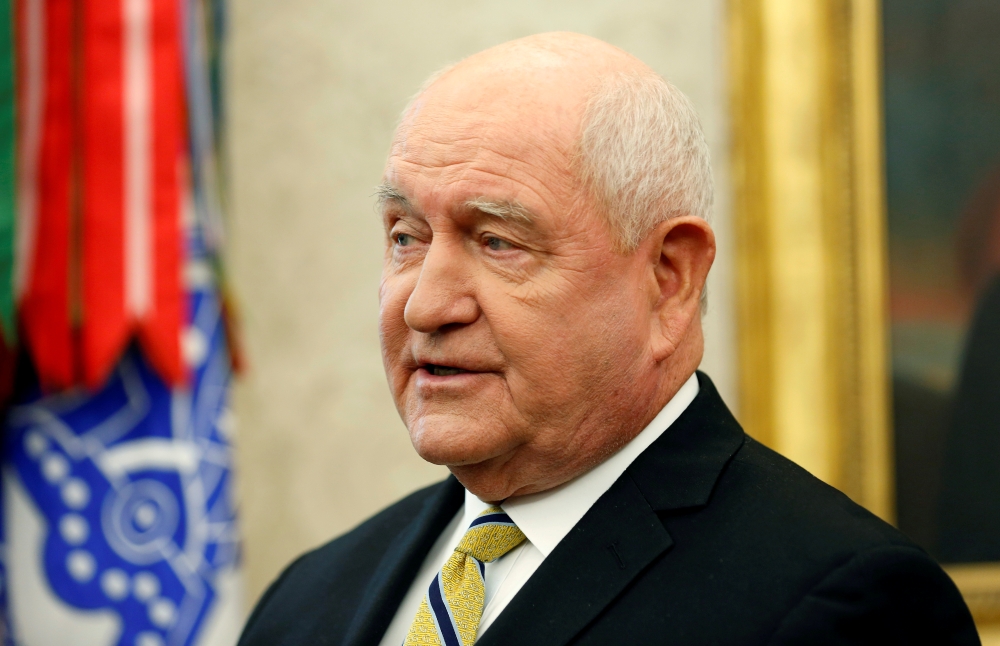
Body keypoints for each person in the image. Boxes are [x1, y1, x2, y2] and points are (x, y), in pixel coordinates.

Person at [238, 33, 977, 646]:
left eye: (496, 241)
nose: (425, 305)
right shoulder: (306, 601)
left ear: (668, 279)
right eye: (405, 236)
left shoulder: (844, 606)